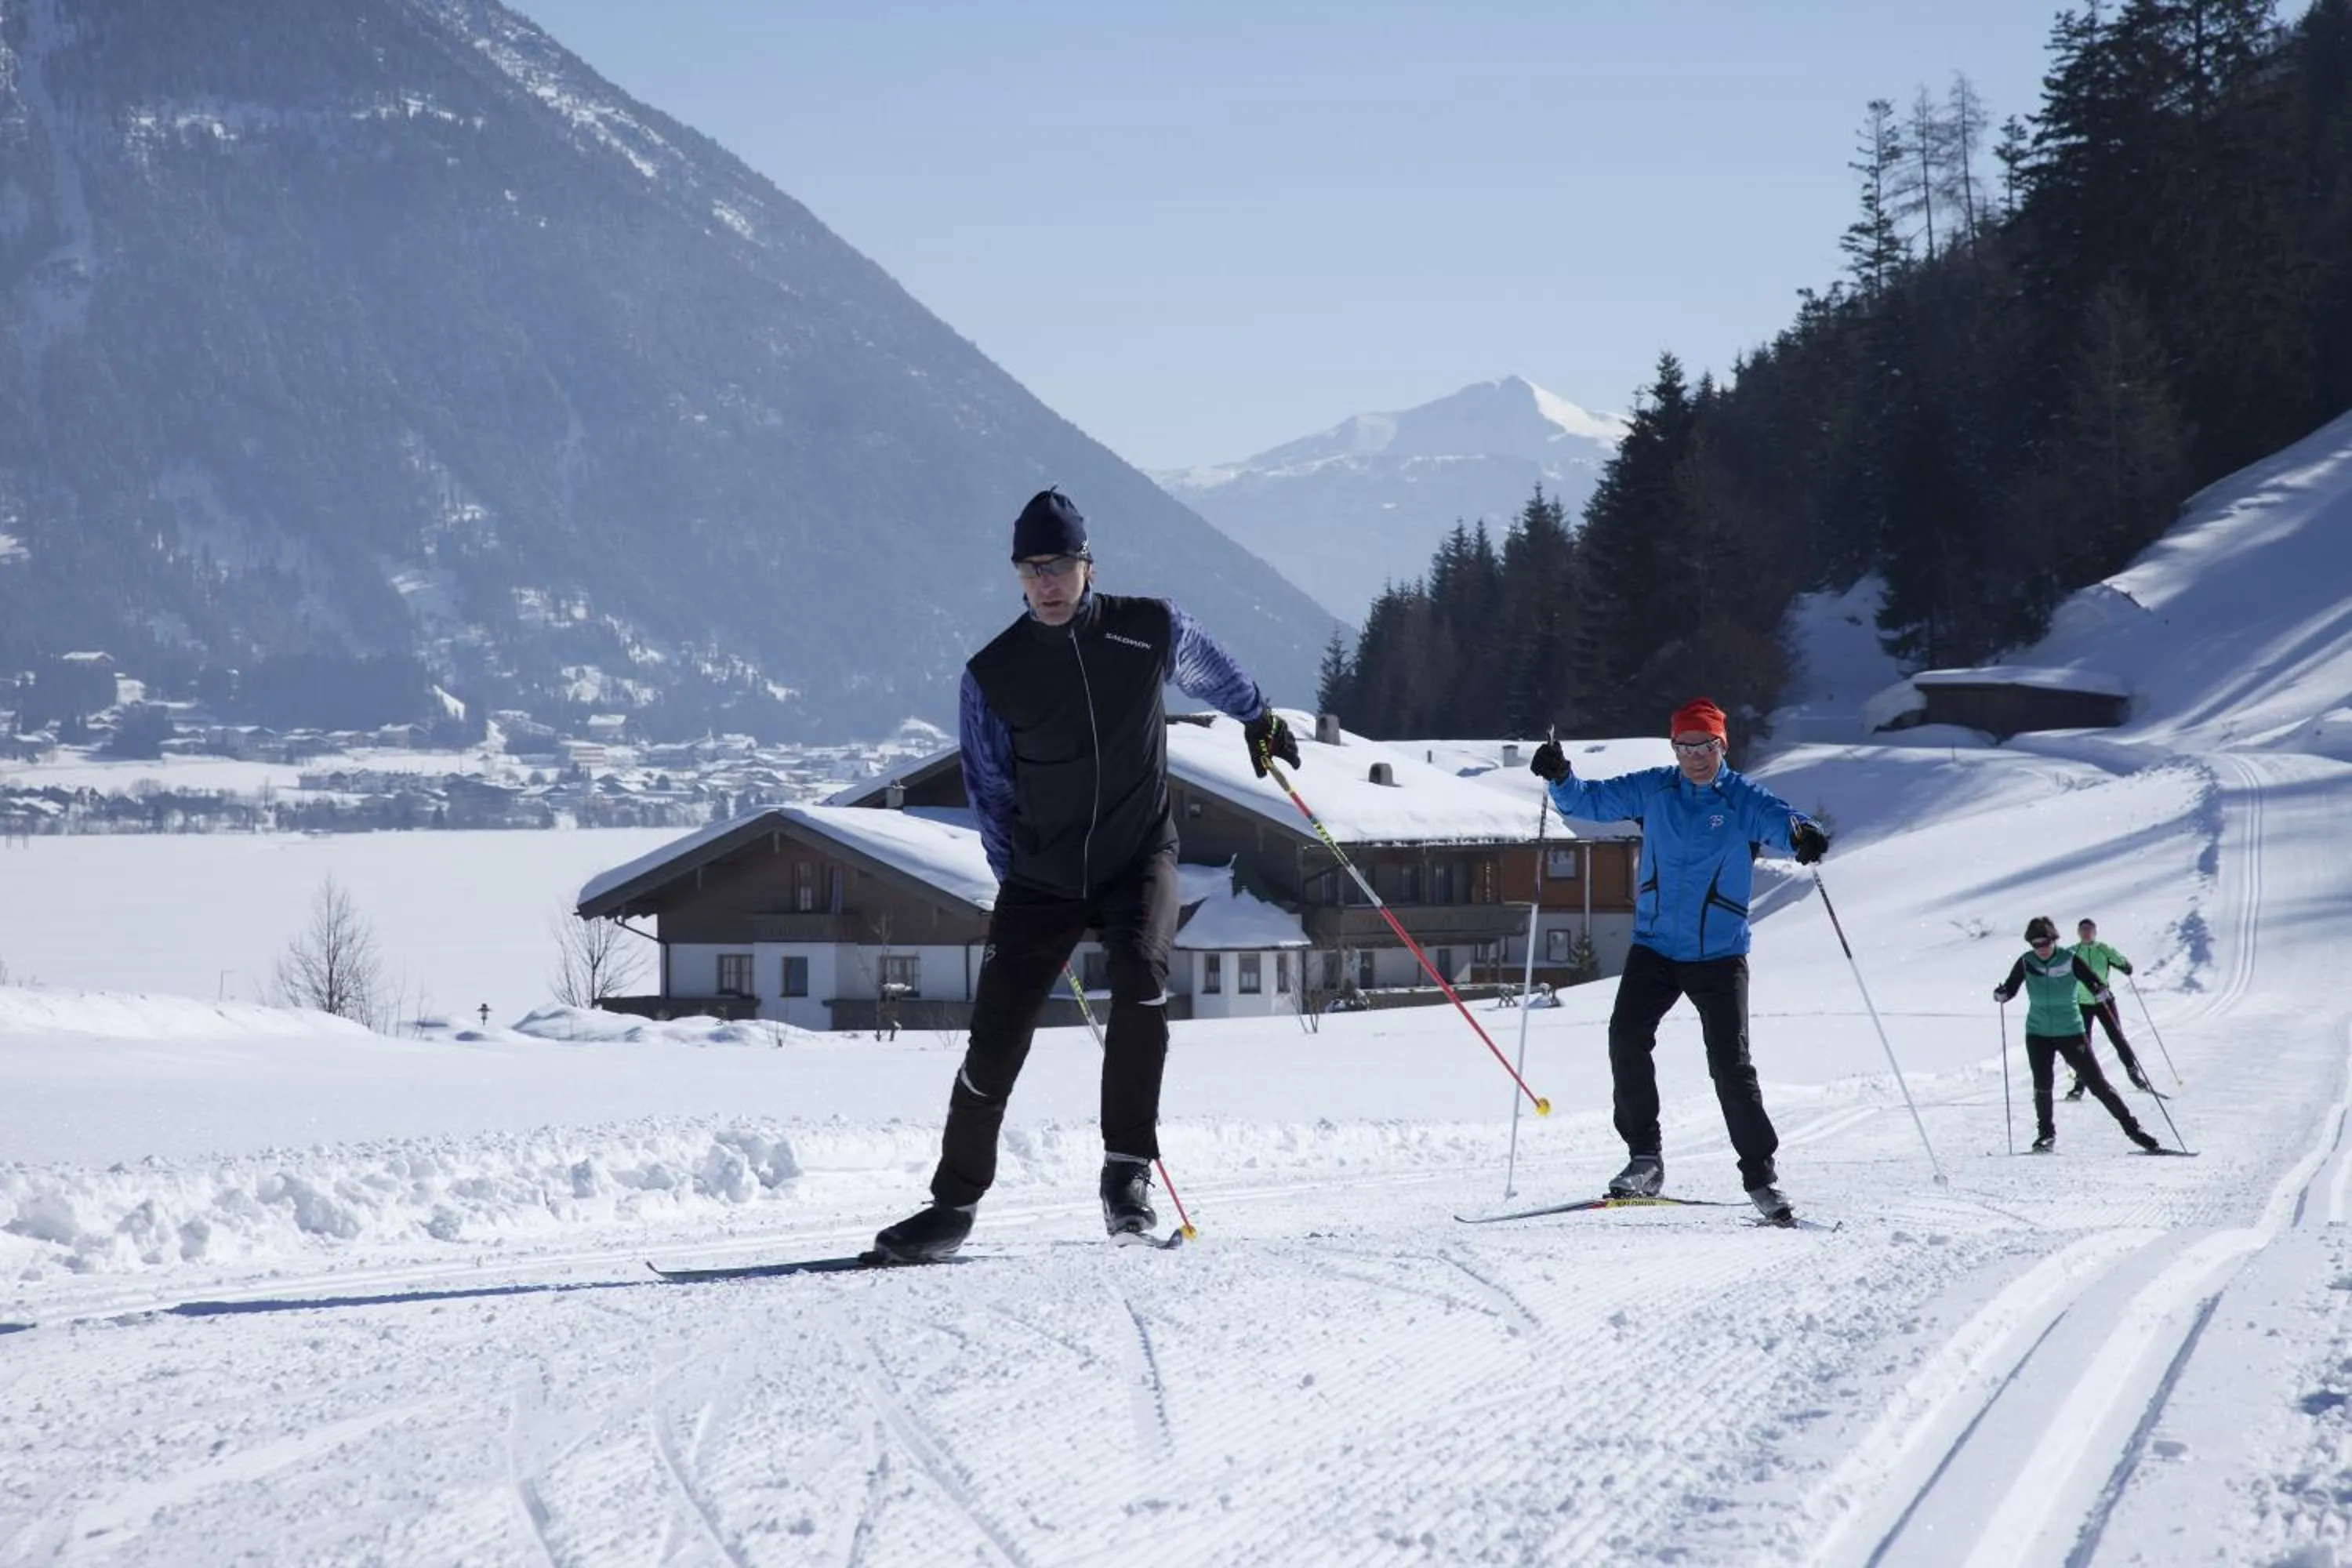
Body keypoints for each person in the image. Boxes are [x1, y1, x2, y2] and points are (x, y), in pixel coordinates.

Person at [873, 488, 1301, 1261]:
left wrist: (1259, 716)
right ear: (1017, 575)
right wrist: (1022, 890)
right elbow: (992, 793)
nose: (1048, 581)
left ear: (1087, 565)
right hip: (1042, 877)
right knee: (995, 1036)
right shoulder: (992, 675)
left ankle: (1126, 1173)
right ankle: (953, 1204)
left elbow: (1209, 665)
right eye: (1032, 568)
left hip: (1139, 855)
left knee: (1142, 976)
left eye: (1061, 564)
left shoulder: (1147, 627)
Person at [1530, 698, 1829, 1224]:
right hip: (1655, 947)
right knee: (1626, 1037)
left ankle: (1761, 1177)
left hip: (1719, 955)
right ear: (1674, 748)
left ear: (1722, 745)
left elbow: (1785, 823)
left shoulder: (1741, 799)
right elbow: (1589, 803)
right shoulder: (1655, 789)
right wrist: (1561, 776)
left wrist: (1803, 835)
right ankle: (1645, 1159)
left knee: (1731, 1067)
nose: (1695, 757)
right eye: (1685, 746)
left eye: (1705, 746)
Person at [1994, 916, 2161, 1154]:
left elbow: (2094, 983)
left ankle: (2135, 1131)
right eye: (2035, 944)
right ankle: (2045, 1135)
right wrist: (2001, 993)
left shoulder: (2070, 959)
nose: (2040, 949)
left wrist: (2100, 991)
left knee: (2098, 1085)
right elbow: (2010, 989)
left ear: (2053, 939)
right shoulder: (2026, 962)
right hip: (2038, 1032)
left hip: (2071, 1031)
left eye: (2044, 943)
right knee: (2043, 1085)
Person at [2063, 917, 2150, 1098]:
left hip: (2104, 1001)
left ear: (2095, 932)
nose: (2086, 932)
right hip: (2082, 1004)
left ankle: (2134, 1073)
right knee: (2082, 1044)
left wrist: (2124, 964)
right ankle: (2080, 1083)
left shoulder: (2102, 949)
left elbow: (2125, 966)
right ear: (2078, 933)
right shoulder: (2072, 952)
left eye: (2089, 929)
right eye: (2083, 929)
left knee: (2117, 1037)